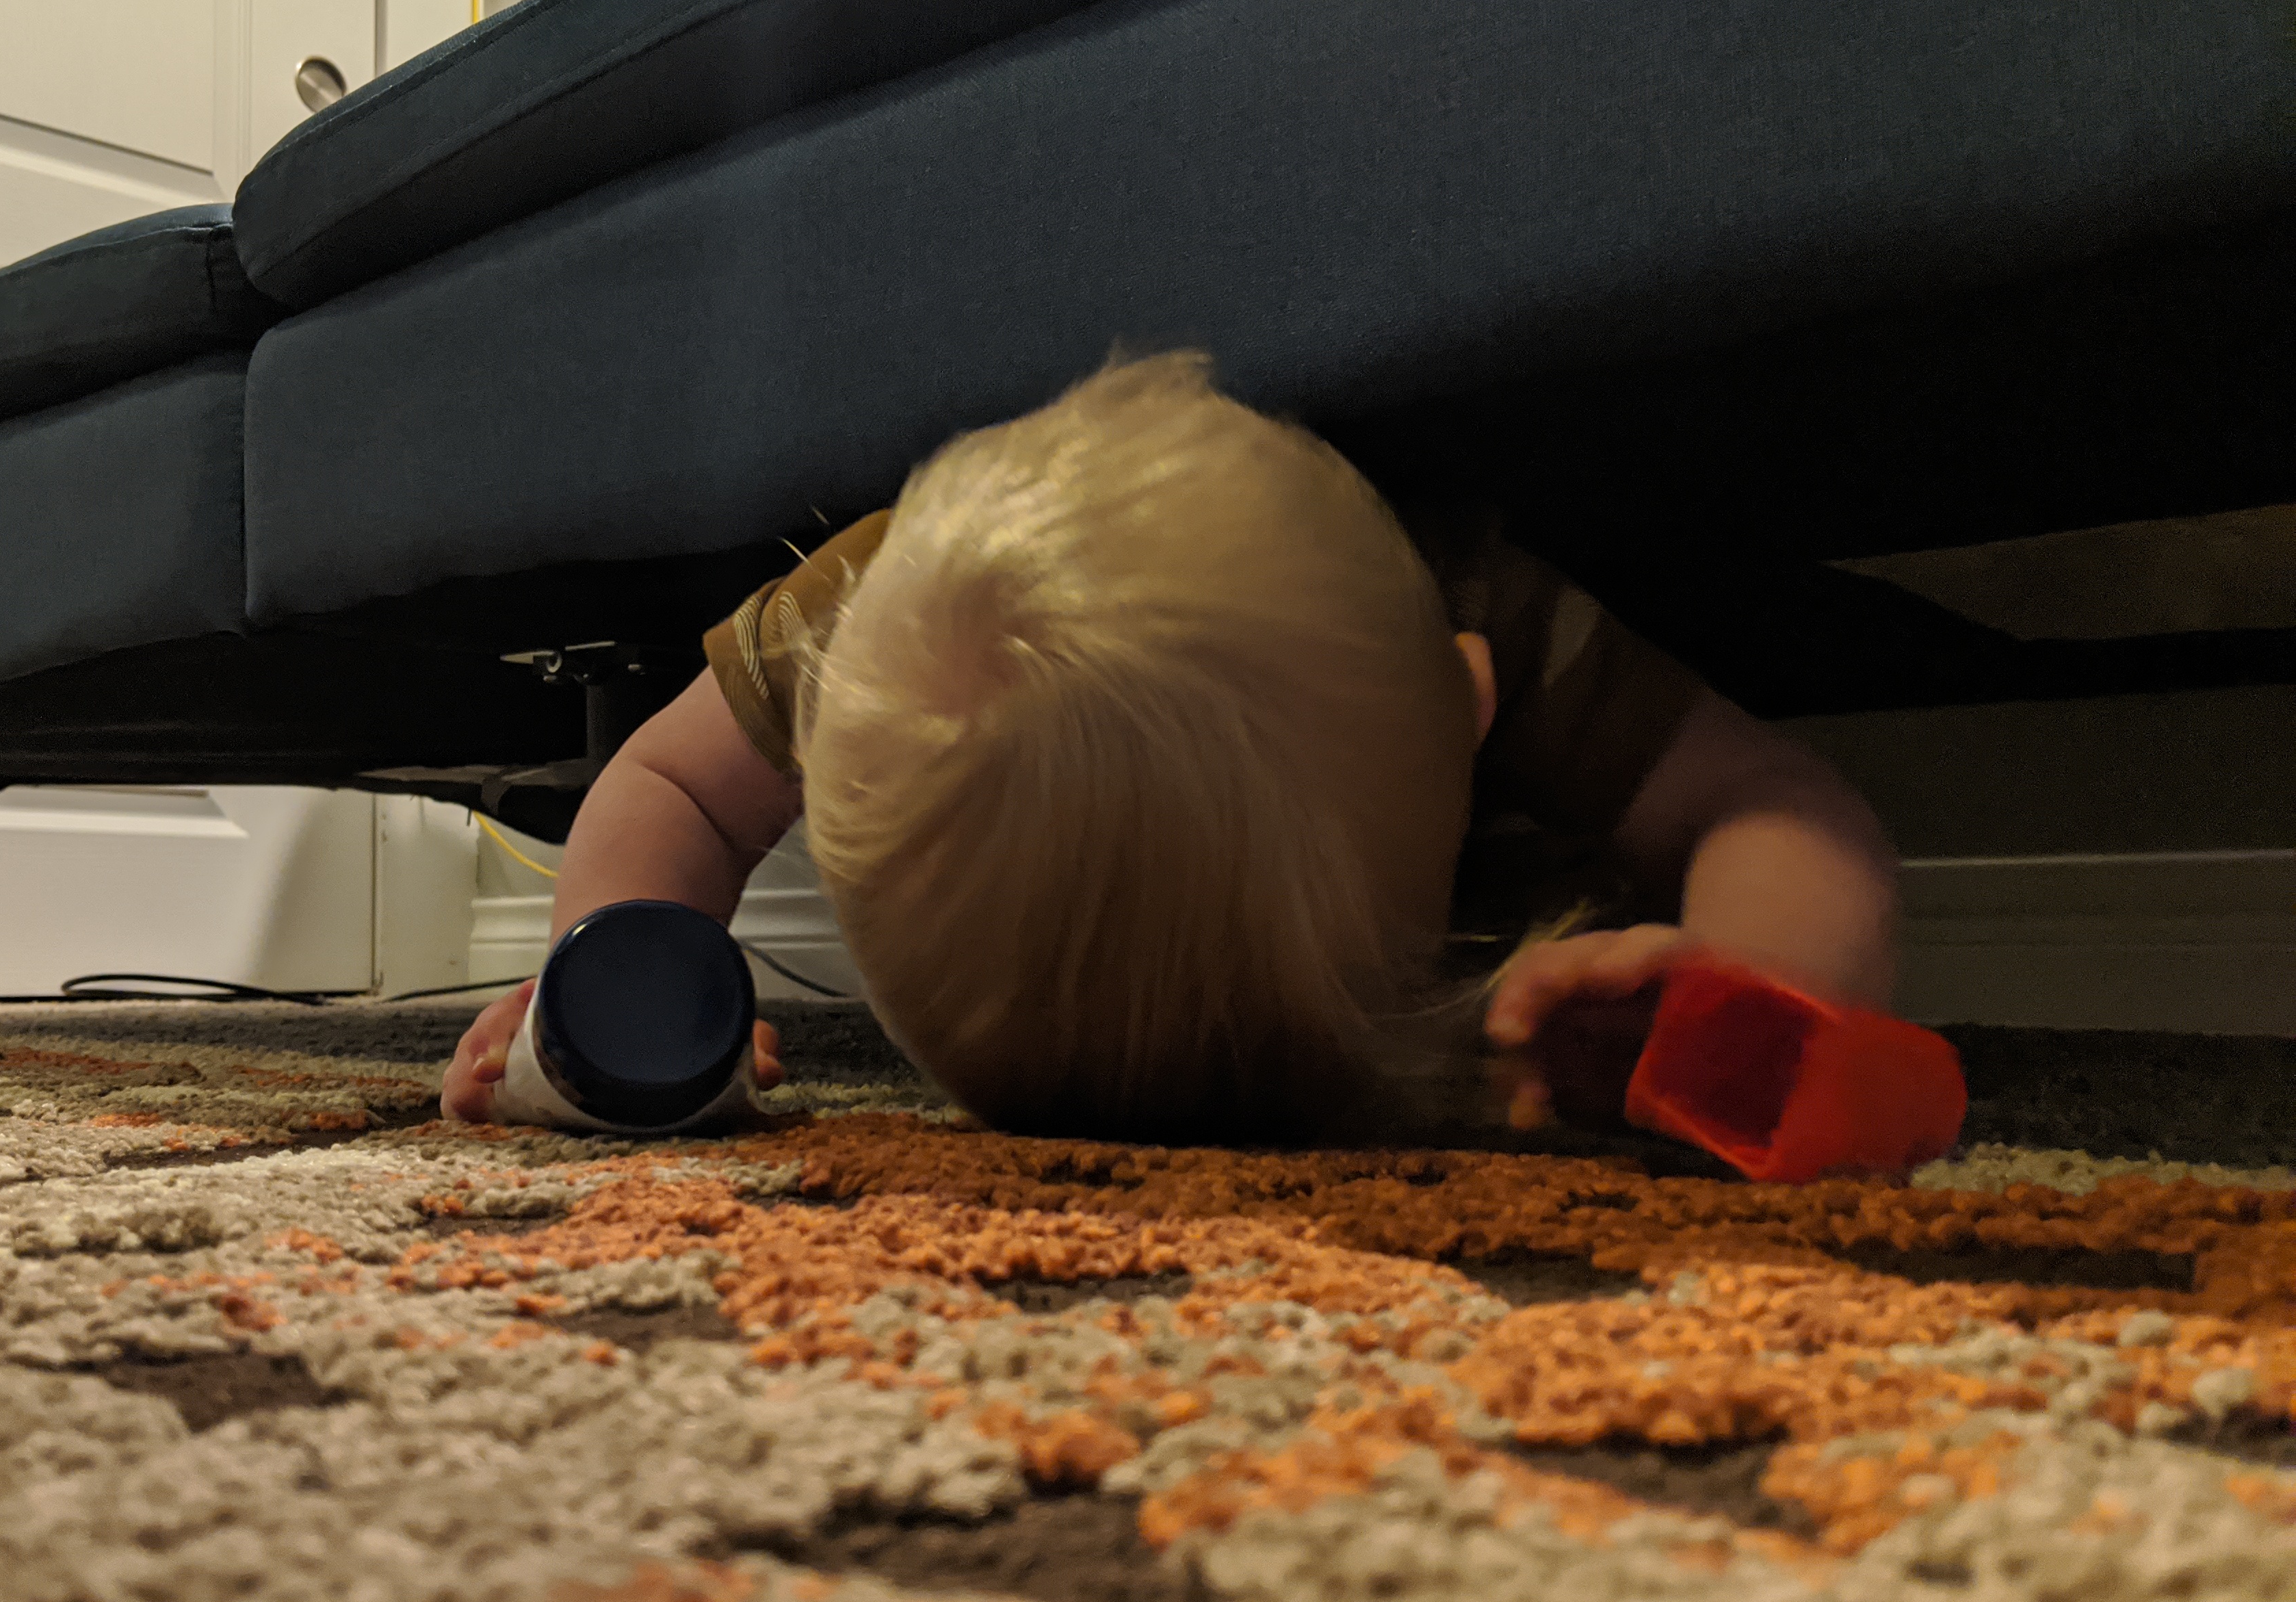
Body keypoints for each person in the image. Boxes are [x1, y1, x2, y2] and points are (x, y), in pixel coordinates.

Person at [442, 352, 1896, 1141]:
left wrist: (1749, 997)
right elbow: (676, 781)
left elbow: (1773, 806)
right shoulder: (879, 623)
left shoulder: (1486, 612)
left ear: (1470, 714)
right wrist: (615, 971)